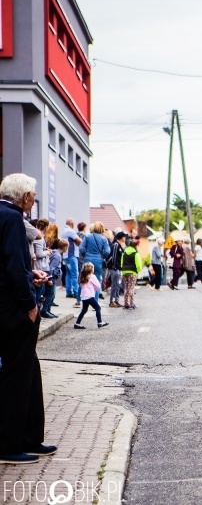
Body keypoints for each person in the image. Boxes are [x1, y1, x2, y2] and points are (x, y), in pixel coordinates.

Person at [0, 173, 54, 464]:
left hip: (7, 303)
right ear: (24, 196)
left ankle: (30, 438)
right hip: (13, 309)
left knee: (28, 370)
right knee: (18, 375)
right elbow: (11, 264)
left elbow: (9, 263)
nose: (34, 199)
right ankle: (10, 444)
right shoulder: (12, 219)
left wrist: (28, 273)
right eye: (32, 194)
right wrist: (31, 304)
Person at [78, 222, 110, 305]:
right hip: (98, 260)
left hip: (87, 259)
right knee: (96, 281)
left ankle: (79, 300)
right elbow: (107, 251)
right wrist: (102, 256)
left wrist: (85, 254)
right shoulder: (104, 239)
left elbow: (81, 248)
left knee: (83, 279)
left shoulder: (87, 237)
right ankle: (95, 302)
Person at [74, 263, 108, 329]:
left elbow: (81, 286)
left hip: (83, 296)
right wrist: (94, 289)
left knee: (84, 310)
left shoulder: (83, 276)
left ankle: (77, 323)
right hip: (89, 296)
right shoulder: (92, 276)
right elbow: (98, 285)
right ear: (92, 269)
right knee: (98, 308)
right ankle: (100, 322)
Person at [41, 240, 67, 319]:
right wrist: (50, 278)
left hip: (53, 277)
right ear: (65, 247)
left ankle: (48, 310)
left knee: (51, 294)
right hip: (52, 278)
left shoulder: (56, 253)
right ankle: (44, 310)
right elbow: (51, 268)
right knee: (50, 294)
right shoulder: (57, 256)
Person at [62, 218, 82, 300]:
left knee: (68, 274)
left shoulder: (64, 231)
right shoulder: (70, 231)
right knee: (75, 274)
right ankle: (76, 292)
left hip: (66, 255)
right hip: (71, 255)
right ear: (72, 224)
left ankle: (69, 292)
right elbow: (79, 241)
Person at [120, 238, 142, 309]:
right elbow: (138, 265)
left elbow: (121, 263)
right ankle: (132, 304)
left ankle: (126, 304)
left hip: (124, 272)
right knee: (131, 288)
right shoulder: (136, 254)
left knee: (126, 288)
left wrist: (123, 270)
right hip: (132, 272)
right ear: (135, 246)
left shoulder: (124, 253)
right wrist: (138, 271)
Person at [106, 232, 126, 308]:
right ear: (121, 237)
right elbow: (114, 257)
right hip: (114, 268)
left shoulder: (120, 246)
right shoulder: (116, 245)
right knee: (114, 285)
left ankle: (116, 300)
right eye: (124, 237)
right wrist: (114, 267)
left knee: (117, 285)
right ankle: (112, 301)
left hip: (118, 268)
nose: (125, 238)